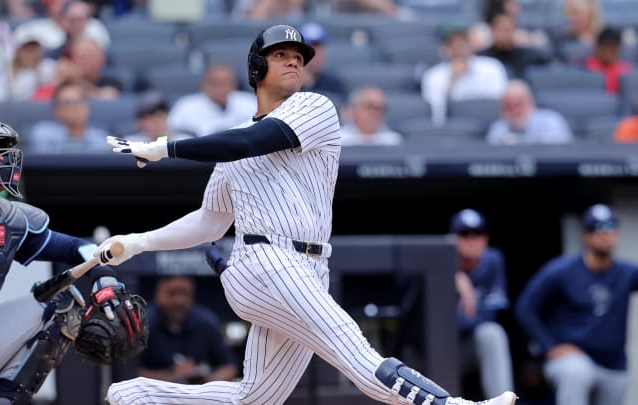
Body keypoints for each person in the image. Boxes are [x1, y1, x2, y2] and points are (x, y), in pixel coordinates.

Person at [95, 24, 517, 405]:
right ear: (257, 66)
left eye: (299, 57)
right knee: (357, 356)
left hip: (309, 267)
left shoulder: (314, 108)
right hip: (266, 262)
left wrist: (169, 147)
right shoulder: (233, 143)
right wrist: (138, 242)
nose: (294, 62)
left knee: (255, 398)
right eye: (282, 56)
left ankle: (136, 394)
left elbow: (251, 142)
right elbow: (210, 220)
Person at [0, 119, 132, 403]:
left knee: (62, 304)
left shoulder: (8, 216)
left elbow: (75, 247)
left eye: (2, 152)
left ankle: (3, 399)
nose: (2, 158)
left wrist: (105, 278)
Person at [515, 204, 637, 405]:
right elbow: (525, 308)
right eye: (596, 228)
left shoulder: (626, 272)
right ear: (585, 236)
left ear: (617, 232)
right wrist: (549, 345)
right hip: (573, 359)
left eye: (610, 226)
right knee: (575, 372)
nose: (604, 233)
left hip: (613, 365)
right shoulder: (561, 271)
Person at [449, 209, 514, 399]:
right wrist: (450, 277)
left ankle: (502, 402)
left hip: (466, 349)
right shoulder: (438, 262)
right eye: (464, 234)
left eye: (477, 233)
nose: (471, 239)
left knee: (492, 333)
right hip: (429, 354)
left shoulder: (493, 261)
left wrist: (467, 299)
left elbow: (488, 316)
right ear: (452, 239)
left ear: (485, 238)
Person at [139, 275, 238, 383]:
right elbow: (129, 372)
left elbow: (229, 367)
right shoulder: (142, 323)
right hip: (153, 394)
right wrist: (173, 375)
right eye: (171, 294)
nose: (178, 301)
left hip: (198, 393)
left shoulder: (206, 321)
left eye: (185, 294)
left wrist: (208, 381)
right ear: (158, 295)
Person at [421, 27, 508, 126]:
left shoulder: (492, 67)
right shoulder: (433, 76)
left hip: (491, 126)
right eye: (454, 46)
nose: (460, 50)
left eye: (463, 44)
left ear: (471, 46)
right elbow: (437, 116)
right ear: (445, 50)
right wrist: (452, 80)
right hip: (454, 128)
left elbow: (501, 103)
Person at [167, 64, 256, 138]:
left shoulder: (250, 103)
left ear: (234, 84)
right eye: (215, 83)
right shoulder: (185, 107)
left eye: (226, 83)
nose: (221, 88)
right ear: (204, 84)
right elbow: (173, 137)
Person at [29, 80, 109, 153]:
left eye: (79, 101)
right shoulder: (44, 134)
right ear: (57, 110)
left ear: (86, 107)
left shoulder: (100, 139)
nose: (74, 108)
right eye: (67, 103)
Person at [486, 80, 574, 145]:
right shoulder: (498, 128)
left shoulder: (551, 121)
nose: (515, 111)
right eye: (508, 107)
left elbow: (557, 153)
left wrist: (517, 142)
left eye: (518, 105)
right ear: (502, 110)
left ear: (531, 103)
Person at [0, 29, 57, 102]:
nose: (30, 54)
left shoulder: (49, 67)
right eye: (26, 49)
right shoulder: (7, 71)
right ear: (18, 51)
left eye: (33, 50)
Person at [477, 13, 551, 79]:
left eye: (508, 30)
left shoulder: (524, 54)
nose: (505, 35)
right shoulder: (483, 57)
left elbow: (546, 58)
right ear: (493, 31)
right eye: (500, 30)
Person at [298, 22, 347, 103]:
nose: (316, 54)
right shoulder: (288, 86)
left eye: (319, 49)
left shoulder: (333, 84)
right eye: (311, 49)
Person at [126, 91, 190, 142]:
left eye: (159, 116)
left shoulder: (184, 141)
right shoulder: (131, 144)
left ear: (167, 116)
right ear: (139, 122)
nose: (156, 123)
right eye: (149, 119)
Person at [584, 27, 632, 94]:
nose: (611, 51)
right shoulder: (585, 67)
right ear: (598, 47)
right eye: (607, 46)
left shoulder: (625, 69)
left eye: (615, 47)